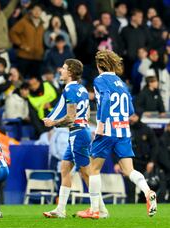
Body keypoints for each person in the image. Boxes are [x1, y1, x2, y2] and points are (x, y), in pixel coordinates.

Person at [76, 50, 157, 219]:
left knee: (93, 169)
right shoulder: (121, 83)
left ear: (99, 65)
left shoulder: (100, 80)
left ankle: (94, 209)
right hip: (124, 129)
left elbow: (105, 99)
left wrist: (102, 124)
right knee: (129, 170)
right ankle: (147, 191)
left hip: (107, 129)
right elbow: (131, 110)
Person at [42, 59, 108, 218]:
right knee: (65, 168)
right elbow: (83, 115)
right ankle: (60, 210)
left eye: (63, 68)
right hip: (80, 131)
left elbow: (71, 117)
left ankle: (100, 209)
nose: (60, 71)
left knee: (86, 172)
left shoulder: (70, 90)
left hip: (78, 133)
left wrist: (54, 122)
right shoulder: (83, 90)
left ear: (70, 72)